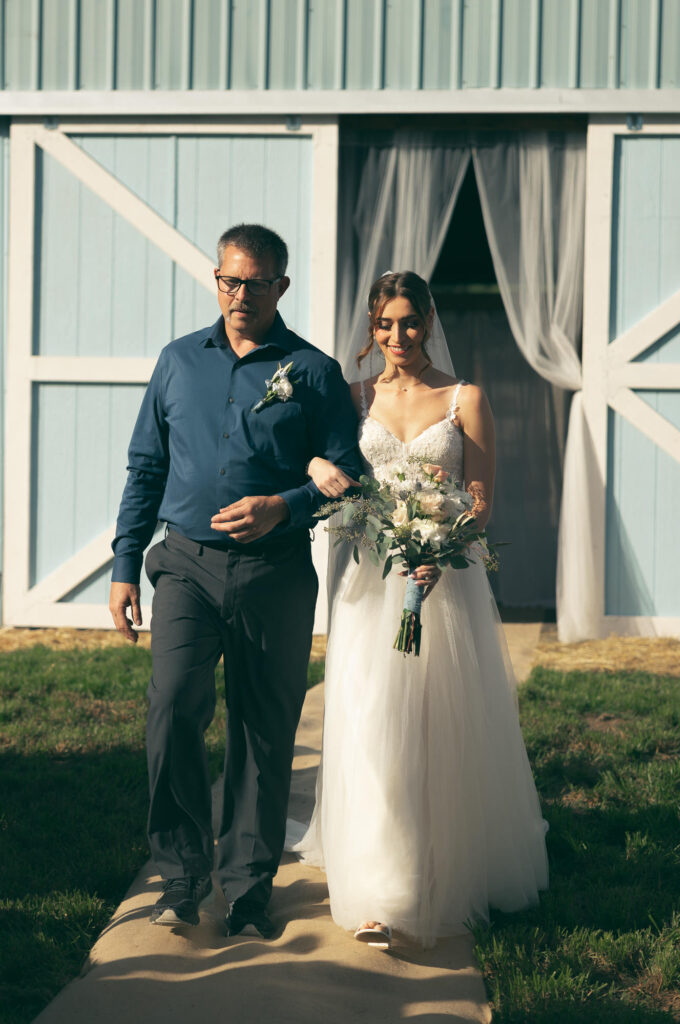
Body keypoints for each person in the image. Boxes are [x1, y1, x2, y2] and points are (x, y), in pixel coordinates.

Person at [109, 223, 361, 939]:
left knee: (262, 732)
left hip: (274, 575)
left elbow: (350, 475)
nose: (239, 294)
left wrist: (285, 505)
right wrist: (126, 564)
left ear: (281, 286)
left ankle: (248, 893)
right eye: (228, 279)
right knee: (173, 708)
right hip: (183, 565)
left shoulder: (311, 373)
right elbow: (145, 468)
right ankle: (181, 875)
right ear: (215, 278)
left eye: (254, 282)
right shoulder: (178, 361)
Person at [292, 270, 548, 949]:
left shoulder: (465, 398)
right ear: (371, 329)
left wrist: (444, 544)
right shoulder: (351, 397)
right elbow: (320, 463)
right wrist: (320, 465)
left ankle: (445, 864)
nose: (397, 336)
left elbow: (481, 497)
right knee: (373, 726)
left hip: (443, 584)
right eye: (384, 324)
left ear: (429, 321)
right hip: (372, 587)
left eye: (408, 322)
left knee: (437, 730)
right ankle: (381, 891)